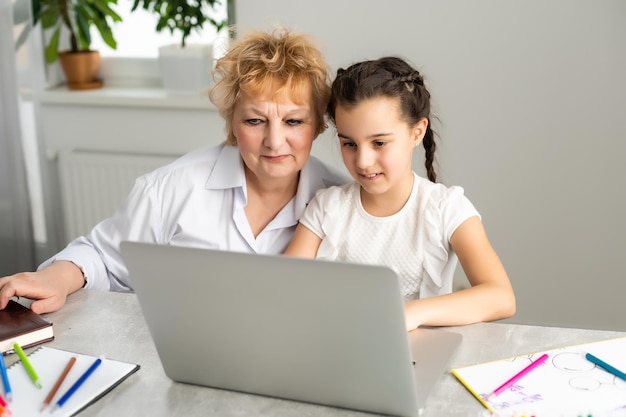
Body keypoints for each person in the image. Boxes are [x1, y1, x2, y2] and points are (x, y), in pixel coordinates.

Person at [0, 27, 348, 314]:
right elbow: (103, 258)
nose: (274, 141)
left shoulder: (342, 200)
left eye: (293, 121)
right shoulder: (170, 188)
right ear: (231, 121)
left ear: (318, 124)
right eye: (255, 120)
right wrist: (54, 280)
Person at [284, 56, 515, 330]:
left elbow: (501, 297)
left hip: (418, 357)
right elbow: (284, 289)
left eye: (379, 142)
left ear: (417, 132)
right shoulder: (327, 208)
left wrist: (411, 313)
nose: (363, 161)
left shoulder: (446, 208)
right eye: (349, 144)